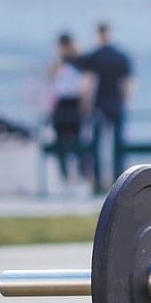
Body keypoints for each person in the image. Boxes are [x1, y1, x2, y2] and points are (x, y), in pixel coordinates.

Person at [70, 21, 135, 192]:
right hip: (117, 105)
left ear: (98, 34)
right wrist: (124, 101)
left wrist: (85, 103)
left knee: (96, 146)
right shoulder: (122, 56)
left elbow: (88, 80)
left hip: (99, 105)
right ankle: (120, 183)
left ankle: (98, 183)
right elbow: (128, 84)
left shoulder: (95, 56)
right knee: (118, 146)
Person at [46, 33, 93, 189]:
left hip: (75, 104)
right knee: (60, 143)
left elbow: (86, 83)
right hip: (61, 105)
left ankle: (82, 176)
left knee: (79, 143)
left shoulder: (82, 62)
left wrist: (85, 103)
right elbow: (52, 80)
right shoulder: (59, 63)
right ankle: (65, 178)